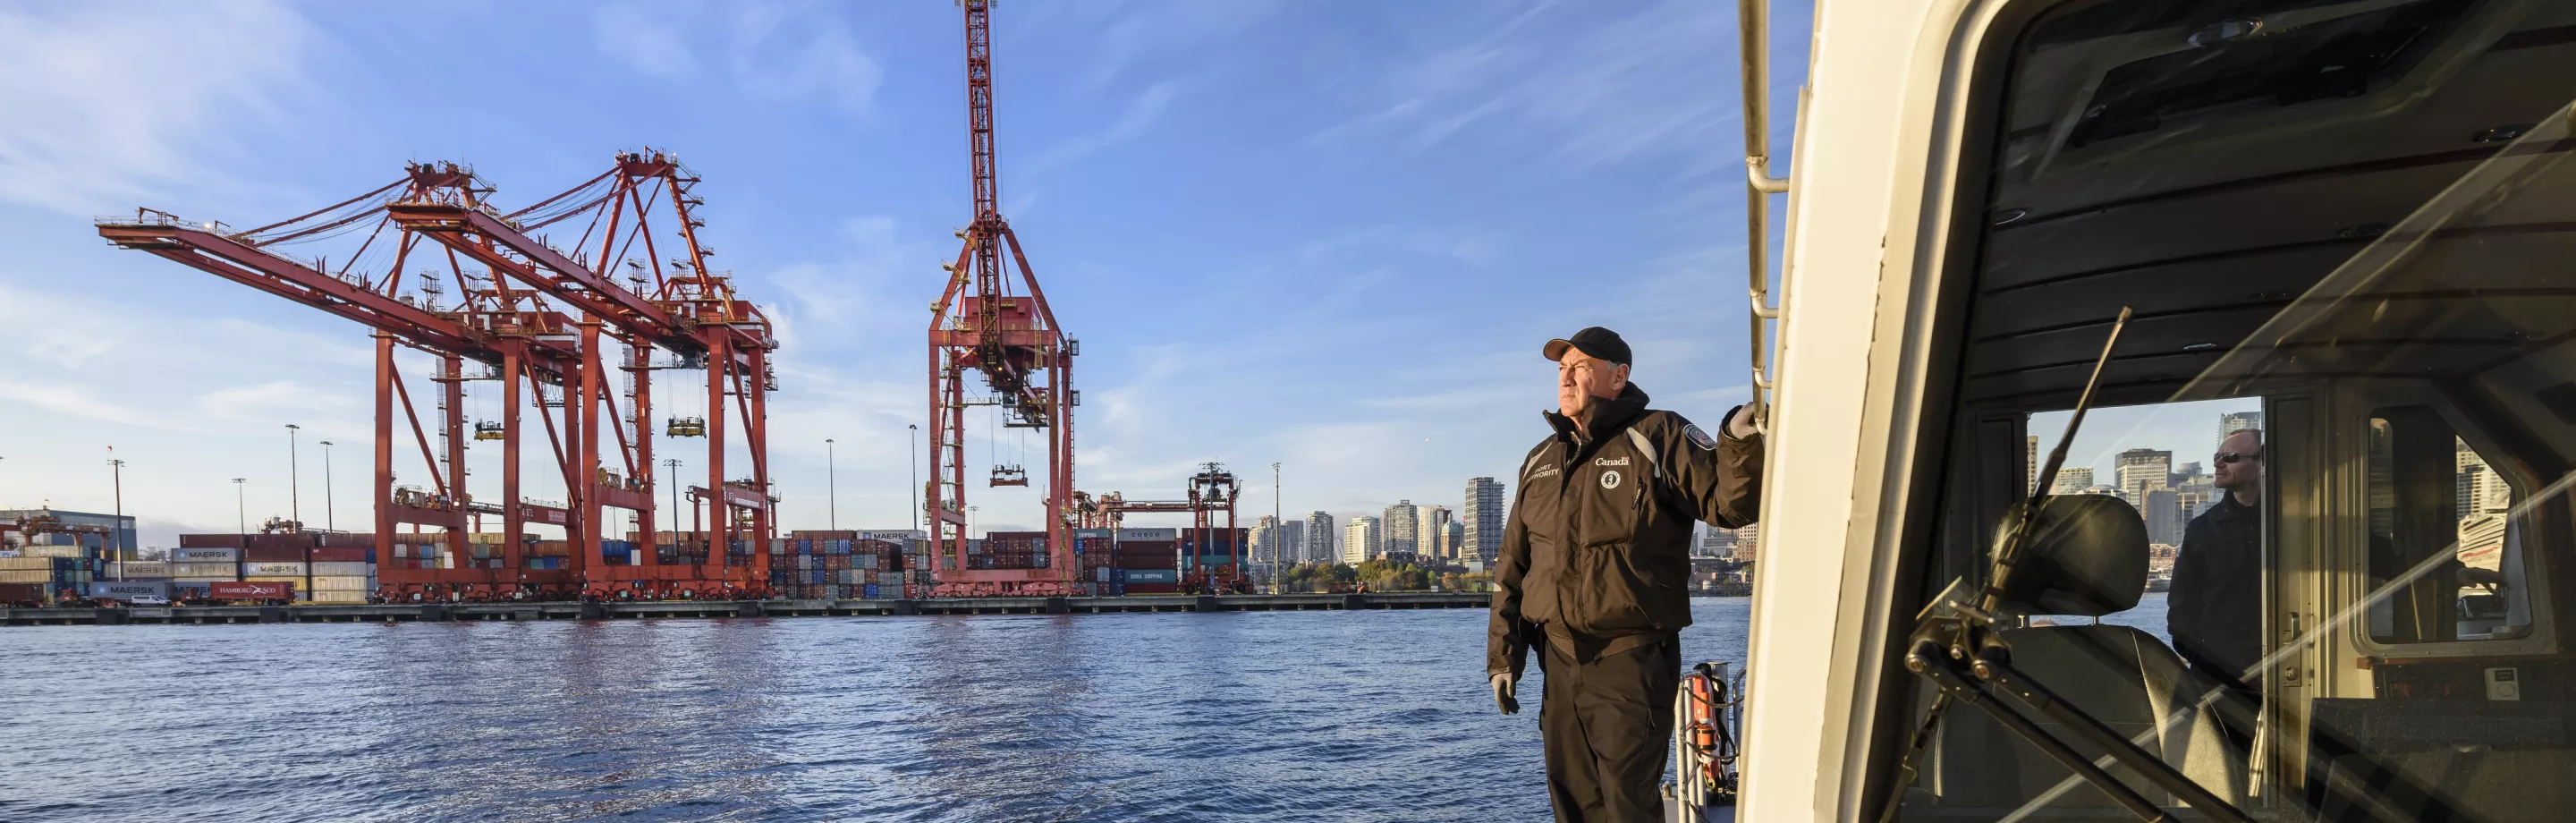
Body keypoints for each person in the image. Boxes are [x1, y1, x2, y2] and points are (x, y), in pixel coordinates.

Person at [1486, 327, 1763, 823]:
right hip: (1560, 663)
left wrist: (1738, 441)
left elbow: (1729, 504)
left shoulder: (1657, 435)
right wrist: (1504, 659)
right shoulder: (1540, 461)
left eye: (1580, 367)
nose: (1566, 377)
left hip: (1631, 660)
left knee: (1627, 805)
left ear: (1619, 376)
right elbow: (1513, 569)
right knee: (1571, 803)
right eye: (1562, 369)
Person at [2169, 429, 2266, 688]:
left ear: (2261, 463)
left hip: (2289, 668)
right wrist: (2202, 659)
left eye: (2230, 457)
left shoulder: (2295, 521)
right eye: (2217, 456)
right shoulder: (2202, 529)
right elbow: (2181, 605)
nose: (2218, 463)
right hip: (2218, 677)